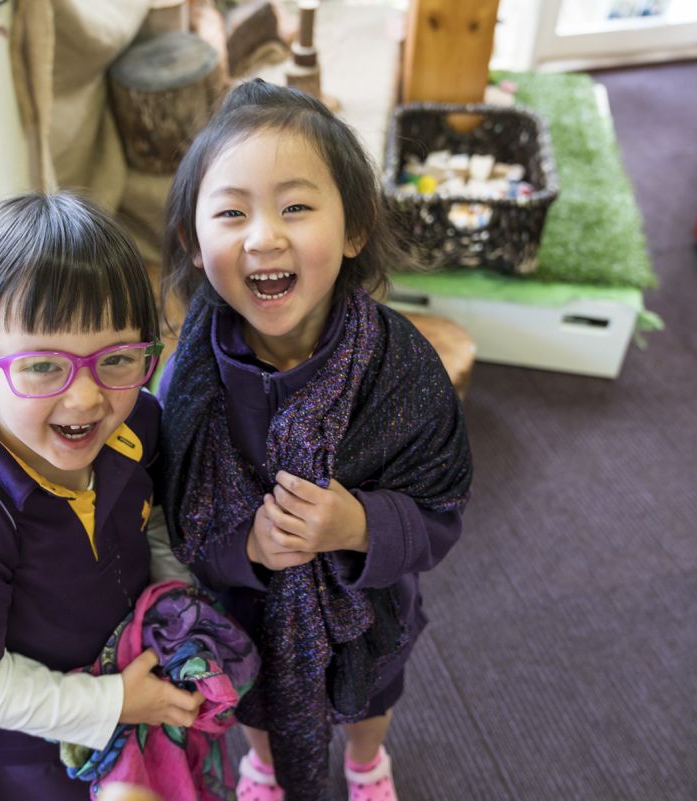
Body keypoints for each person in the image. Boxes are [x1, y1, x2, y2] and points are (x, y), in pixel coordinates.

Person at [159, 79, 474, 801]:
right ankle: (265, 763)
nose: (264, 235)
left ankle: (367, 762)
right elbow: (174, 514)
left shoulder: (399, 366)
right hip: (244, 603)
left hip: (368, 603)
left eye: (296, 206)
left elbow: (442, 500)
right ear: (194, 241)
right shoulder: (189, 380)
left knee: (371, 697)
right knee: (254, 698)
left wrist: (357, 523)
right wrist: (245, 548)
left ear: (355, 228)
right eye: (232, 212)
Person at [0, 192, 204, 801]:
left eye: (116, 358)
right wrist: (112, 702)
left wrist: (173, 599)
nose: (87, 399)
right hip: (29, 744)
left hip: (134, 671)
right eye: (41, 367)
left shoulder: (134, 420)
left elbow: (152, 516)